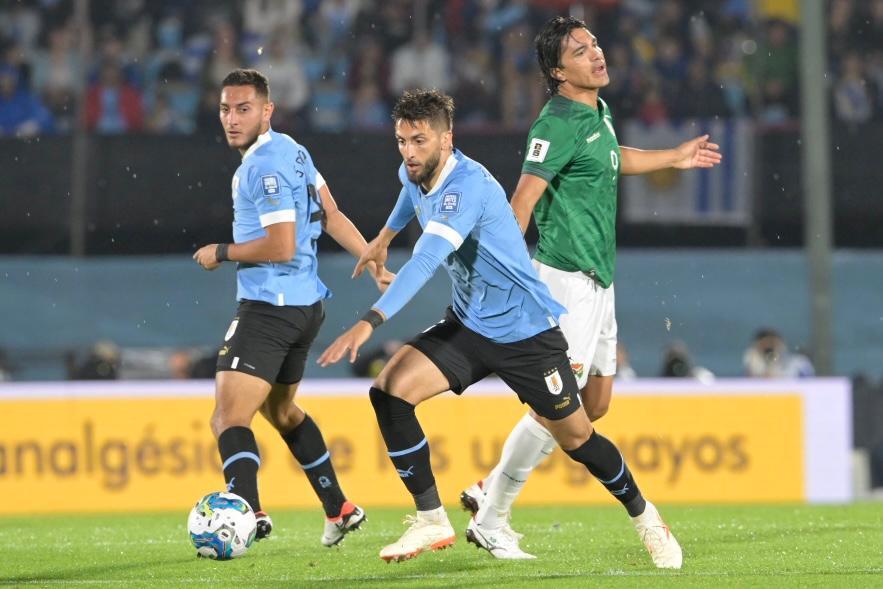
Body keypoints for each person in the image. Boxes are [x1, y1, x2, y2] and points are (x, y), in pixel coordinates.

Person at [317, 89, 681, 567]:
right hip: (469, 326)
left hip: (525, 332)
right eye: (401, 140)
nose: (408, 151)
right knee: (389, 391)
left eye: (419, 141)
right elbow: (407, 197)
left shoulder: (467, 187)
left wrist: (371, 320)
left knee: (576, 437)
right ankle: (432, 519)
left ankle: (648, 519)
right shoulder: (415, 171)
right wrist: (383, 238)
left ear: (447, 140)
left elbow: (427, 258)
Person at [460, 15, 721, 564]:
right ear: (558, 71)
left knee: (593, 405)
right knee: (561, 409)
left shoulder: (595, 113)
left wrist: (672, 156)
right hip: (564, 283)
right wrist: (506, 272)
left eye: (595, 43)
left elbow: (611, 157)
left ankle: (490, 487)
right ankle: (493, 513)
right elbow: (522, 201)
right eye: (581, 51)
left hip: (599, 284)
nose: (597, 53)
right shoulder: (554, 123)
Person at [193, 69, 390, 548]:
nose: (232, 119)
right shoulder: (294, 151)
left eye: (244, 109)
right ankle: (339, 508)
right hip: (305, 309)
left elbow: (280, 246)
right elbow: (332, 213)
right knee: (282, 412)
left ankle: (245, 513)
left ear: (267, 111)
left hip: (269, 307)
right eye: (225, 109)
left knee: (228, 419)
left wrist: (221, 251)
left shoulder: (262, 167)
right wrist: (372, 257)